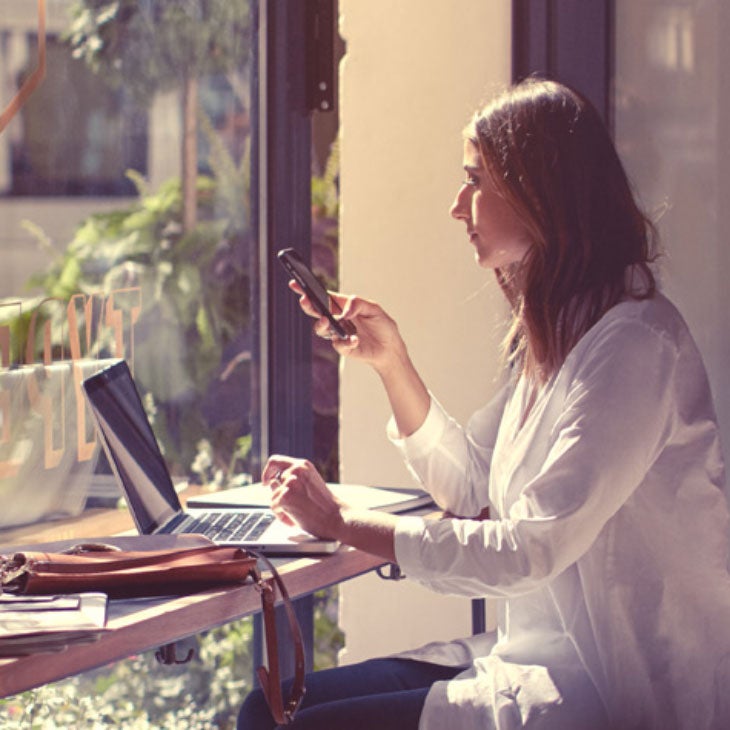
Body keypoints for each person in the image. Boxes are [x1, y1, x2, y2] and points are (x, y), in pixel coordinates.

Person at [237, 78, 730, 729]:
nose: (456, 205)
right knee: (263, 708)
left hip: (608, 687)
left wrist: (336, 522)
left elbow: (526, 552)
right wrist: (392, 363)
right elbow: (470, 487)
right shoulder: (562, 332)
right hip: (530, 655)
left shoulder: (635, 349)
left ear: (539, 194)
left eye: (476, 180)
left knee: (283, 721)